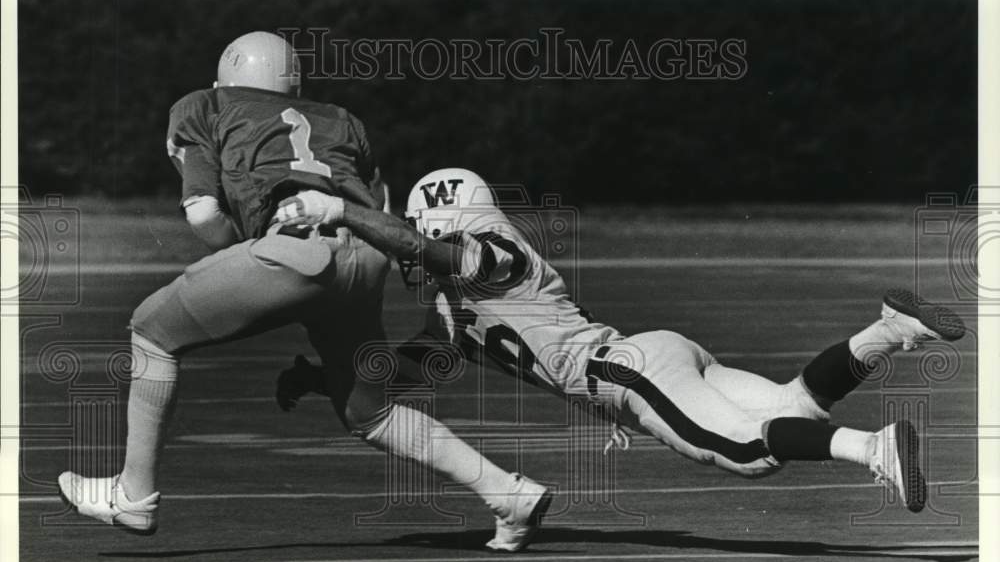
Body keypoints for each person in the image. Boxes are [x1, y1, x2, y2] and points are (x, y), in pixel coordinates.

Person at [57, 38, 551, 552]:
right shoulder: (341, 117)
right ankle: (507, 493)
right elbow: (380, 203)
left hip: (297, 249)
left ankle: (132, 496)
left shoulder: (204, 106)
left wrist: (252, 248)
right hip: (366, 256)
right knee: (370, 411)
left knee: (151, 332)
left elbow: (204, 216)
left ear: (224, 78)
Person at [272, 168, 967, 514]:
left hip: (626, 373)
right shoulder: (454, 315)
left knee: (750, 452)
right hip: (646, 355)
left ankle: (873, 447)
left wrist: (342, 211)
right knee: (794, 407)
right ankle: (890, 328)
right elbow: (402, 373)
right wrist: (320, 377)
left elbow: (439, 255)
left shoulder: (489, 253)